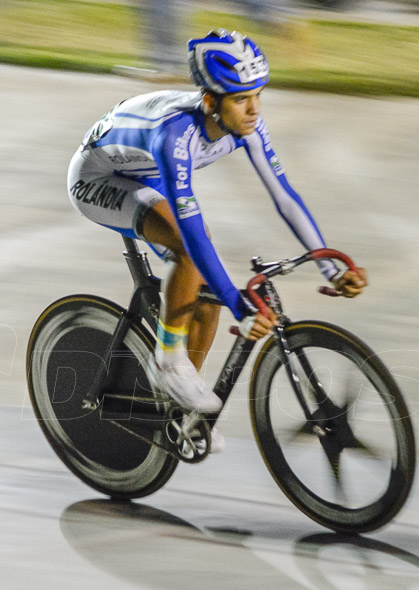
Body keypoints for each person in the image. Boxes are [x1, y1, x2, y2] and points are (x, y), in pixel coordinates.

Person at [68, 29, 367, 450]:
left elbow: (285, 198)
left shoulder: (247, 124)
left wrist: (330, 266)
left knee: (206, 286)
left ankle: (183, 411)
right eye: (242, 99)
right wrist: (239, 304)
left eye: (258, 94)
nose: (254, 109)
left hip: (143, 171)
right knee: (193, 247)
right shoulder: (175, 135)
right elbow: (190, 234)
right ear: (211, 102)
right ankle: (167, 360)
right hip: (99, 177)